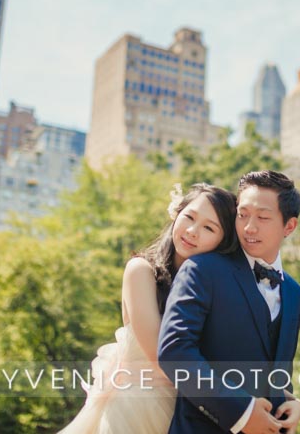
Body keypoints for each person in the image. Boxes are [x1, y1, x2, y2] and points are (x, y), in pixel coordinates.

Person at [58, 183, 239, 434]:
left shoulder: (214, 290)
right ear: (176, 214)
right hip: (136, 408)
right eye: (189, 217)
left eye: (209, 227)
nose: (192, 231)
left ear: (222, 242)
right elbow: (161, 357)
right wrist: (234, 401)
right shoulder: (142, 271)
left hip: (187, 411)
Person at [158, 170, 300, 434]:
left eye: (262, 217)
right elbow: (175, 352)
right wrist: (241, 412)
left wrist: (291, 403)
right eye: (242, 214)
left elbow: (277, 372)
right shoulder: (203, 269)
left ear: (289, 226)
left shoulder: (296, 295)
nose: (249, 227)